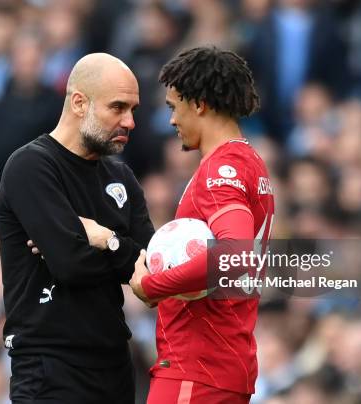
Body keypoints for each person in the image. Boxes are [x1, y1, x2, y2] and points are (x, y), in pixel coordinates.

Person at [0, 53, 155, 403]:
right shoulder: (31, 166)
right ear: (79, 103)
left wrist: (106, 240)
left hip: (114, 365)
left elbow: (152, 268)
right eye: (118, 107)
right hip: (51, 367)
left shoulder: (121, 178)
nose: (130, 121)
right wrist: (119, 256)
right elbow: (71, 264)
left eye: (134, 109)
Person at [129, 47, 275, 403]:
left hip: (197, 369)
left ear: (199, 104)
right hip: (217, 365)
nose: (171, 121)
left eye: (173, 107)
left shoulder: (220, 172)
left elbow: (234, 255)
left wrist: (153, 286)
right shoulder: (249, 162)